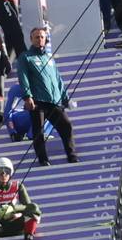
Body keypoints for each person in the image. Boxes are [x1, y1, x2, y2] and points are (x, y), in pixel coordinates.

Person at [16, 26, 79, 166]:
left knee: (66, 126)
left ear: (46, 39)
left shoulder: (49, 58)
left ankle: (71, 155)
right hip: (37, 101)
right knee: (38, 131)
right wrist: (28, 97)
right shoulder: (25, 57)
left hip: (53, 100)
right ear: (31, 39)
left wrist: (65, 98)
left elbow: (58, 79)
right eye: (36, 37)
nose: (40, 39)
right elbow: (23, 77)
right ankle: (43, 159)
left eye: (42, 37)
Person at [0, 157, 41, 240]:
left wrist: (15, 209)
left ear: (11, 172)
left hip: (16, 222)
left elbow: (28, 206)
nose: (3, 174)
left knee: (34, 208)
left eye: (6, 171)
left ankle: (29, 235)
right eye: (0, 171)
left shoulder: (18, 186)